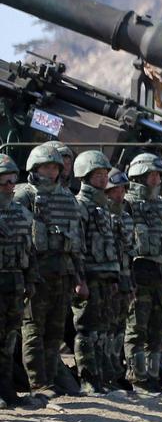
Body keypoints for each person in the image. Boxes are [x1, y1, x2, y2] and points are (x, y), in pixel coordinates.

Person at [16, 142, 85, 397]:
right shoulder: (25, 195)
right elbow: (17, 237)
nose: (52, 171)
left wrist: (79, 277)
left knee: (55, 331)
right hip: (36, 273)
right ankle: (37, 383)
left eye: (55, 167)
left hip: (62, 274)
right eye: (47, 166)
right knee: (33, 328)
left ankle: (49, 379)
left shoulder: (67, 198)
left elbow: (76, 242)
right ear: (35, 167)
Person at [124, 153, 162, 397]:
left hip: (160, 275)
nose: (156, 179)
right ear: (139, 176)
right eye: (152, 175)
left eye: (158, 175)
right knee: (136, 328)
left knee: (157, 329)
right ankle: (138, 379)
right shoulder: (126, 204)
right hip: (138, 275)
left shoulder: (161, 206)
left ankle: (153, 378)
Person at [72, 150, 121, 395]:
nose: (103, 179)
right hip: (89, 276)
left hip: (105, 276)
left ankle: (103, 379)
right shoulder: (80, 206)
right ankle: (89, 381)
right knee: (87, 330)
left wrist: (114, 277)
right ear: (85, 175)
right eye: (98, 174)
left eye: (105, 174)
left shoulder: (103, 208)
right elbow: (77, 246)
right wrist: (79, 280)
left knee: (104, 331)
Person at [0, 153, 39, 410]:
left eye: (13, 181)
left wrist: (31, 280)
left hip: (14, 284)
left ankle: (6, 390)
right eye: (4, 182)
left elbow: (31, 251)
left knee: (9, 339)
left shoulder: (22, 215)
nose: (10, 186)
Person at [105, 170, 134, 394]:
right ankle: (105, 375)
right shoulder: (101, 214)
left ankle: (116, 372)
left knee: (119, 329)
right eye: (116, 190)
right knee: (104, 329)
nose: (120, 194)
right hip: (106, 278)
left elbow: (129, 250)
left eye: (123, 189)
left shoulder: (125, 216)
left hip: (124, 277)